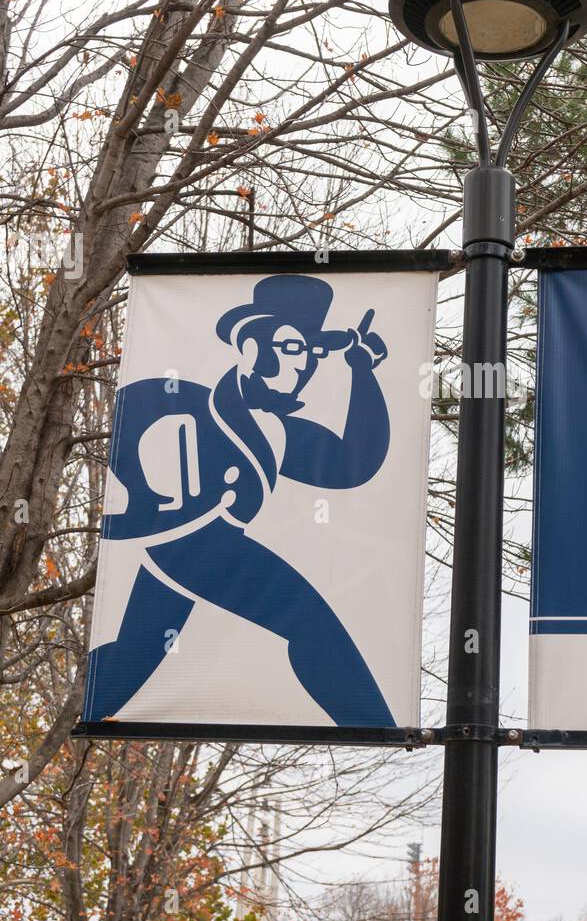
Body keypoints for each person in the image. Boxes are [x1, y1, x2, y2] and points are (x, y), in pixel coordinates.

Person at [85, 275, 395, 726]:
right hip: (198, 545)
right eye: (290, 348)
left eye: (310, 354)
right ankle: (376, 725)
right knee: (310, 622)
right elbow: (134, 412)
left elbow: (353, 463)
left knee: (136, 654)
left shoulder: (280, 430)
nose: (303, 366)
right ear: (251, 348)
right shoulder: (202, 404)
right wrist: (141, 503)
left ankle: (82, 713)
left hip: (187, 554)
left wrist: (361, 372)